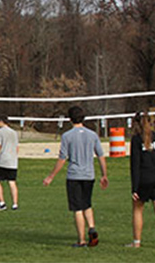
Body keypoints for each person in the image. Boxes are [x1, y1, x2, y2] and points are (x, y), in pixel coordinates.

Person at [43, 106, 108, 248]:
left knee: (77, 208)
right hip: (89, 175)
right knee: (87, 204)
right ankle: (91, 227)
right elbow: (101, 156)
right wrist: (104, 175)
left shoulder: (67, 136)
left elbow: (62, 159)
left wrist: (51, 176)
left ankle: (82, 240)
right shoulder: (93, 135)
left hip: (74, 175)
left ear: (70, 119)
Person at [127, 112, 155, 251]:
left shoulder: (136, 140)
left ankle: (136, 241)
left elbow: (135, 165)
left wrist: (134, 187)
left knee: (138, 210)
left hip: (144, 180)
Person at [0, 115, 19, 211]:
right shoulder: (14, 132)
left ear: (1, 121)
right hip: (13, 161)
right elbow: (17, 147)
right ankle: (15, 204)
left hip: (3, 160)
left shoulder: (0, 132)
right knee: (12, 181)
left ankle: (2, 203)